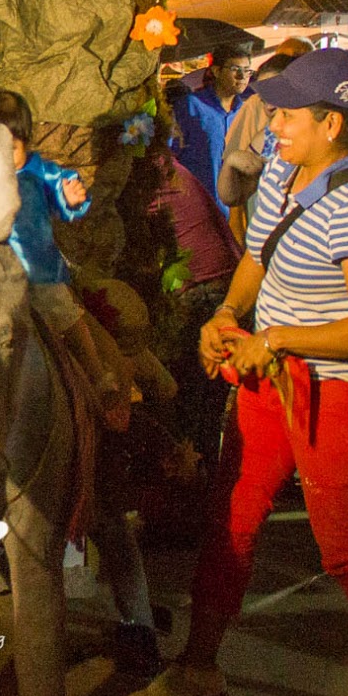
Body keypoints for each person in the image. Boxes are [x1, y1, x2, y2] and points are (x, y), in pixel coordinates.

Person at [127, 49, 348, 696]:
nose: (271, 120)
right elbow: (256, 257)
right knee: (231, 517)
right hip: (271, 380)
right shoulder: (279, 174)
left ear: (331, 123)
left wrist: (279, 337)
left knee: (346, 546)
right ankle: (199, 664)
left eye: (287, 111)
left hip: (342, 394)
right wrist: (228, 316)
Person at [0, 91, 130, 430]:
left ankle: (96, 374)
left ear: (26, 142)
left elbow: (65, 194)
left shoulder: (39, 173)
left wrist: (71, 197)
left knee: (63, 312)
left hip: (37, 273)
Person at [119, 119, 243, 469]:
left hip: (198, 293)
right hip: (223, 288)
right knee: (207, 405)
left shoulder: (143, 177)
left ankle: (192, 499)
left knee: (186, 405)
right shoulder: (170, 168)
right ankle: (208, 491)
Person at [216, 49, 304, 231]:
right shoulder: (266, 138)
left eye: (276, 94)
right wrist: (230, 165)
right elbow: (233, 197)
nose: (269, 105)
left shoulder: (312, 138)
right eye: (264, 99)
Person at [171, 44, 255, 215]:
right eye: (235, 69)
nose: (241, 77)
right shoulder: (191, 106)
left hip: (233, 214)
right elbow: (169, 156)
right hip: (195, 210)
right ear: (216, 71)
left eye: (247, 71)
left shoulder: (247, 112)